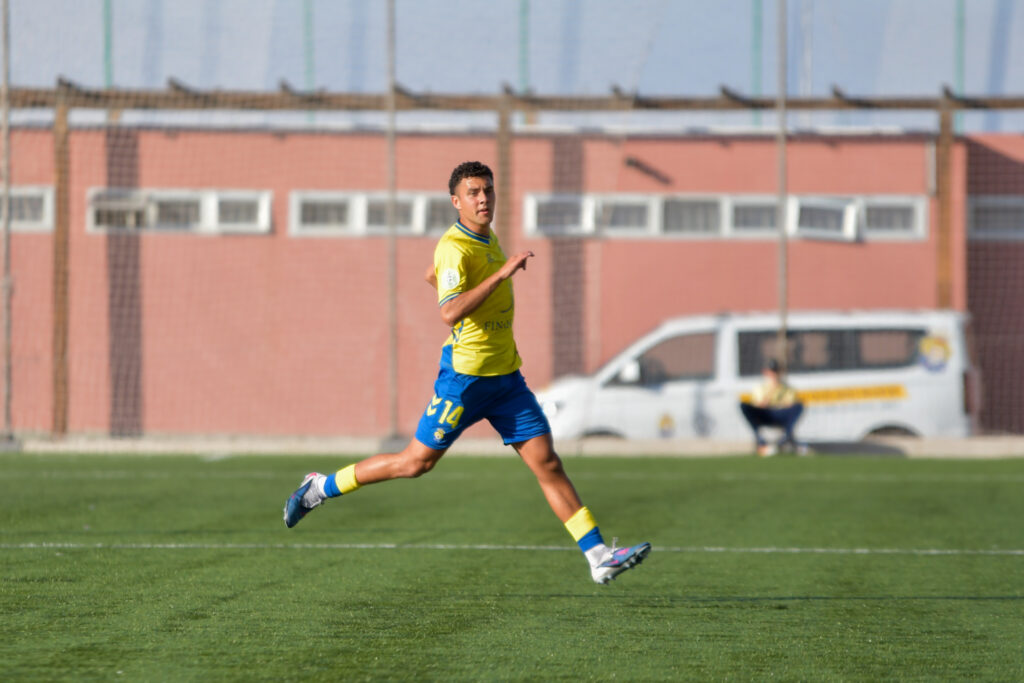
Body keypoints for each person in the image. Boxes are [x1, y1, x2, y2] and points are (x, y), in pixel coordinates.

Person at [283, 161, 650, 585]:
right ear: (456, 201)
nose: (483, 199)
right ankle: (320, 487)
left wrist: (468, 276)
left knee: (548, 463)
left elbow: (434, 276)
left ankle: (599, 556)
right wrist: (502, 273)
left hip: (507, 380)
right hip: (465, 380)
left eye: (488, 190)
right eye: (473, 192)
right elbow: (449, 311)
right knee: (414, 463)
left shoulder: (486, 237)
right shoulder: (455, 246)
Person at [739, 359, 807, 456]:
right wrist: (771, 390)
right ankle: (760, 440)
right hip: (766, 415)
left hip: (781, 414)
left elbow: (790, 404)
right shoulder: (760, 388)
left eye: (776, 371)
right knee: (744, 406)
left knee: (798, 406)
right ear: (766, 372)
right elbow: (760, 405)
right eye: (771, 371)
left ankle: (786, 439)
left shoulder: (787, 388)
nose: (774, 374)